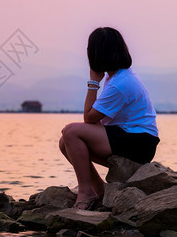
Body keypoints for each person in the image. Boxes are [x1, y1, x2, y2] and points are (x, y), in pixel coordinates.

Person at [58, 27, 159, 210]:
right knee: (65, 142)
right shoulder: (118, 78)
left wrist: (93, 81)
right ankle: (98, 189)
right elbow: (95, 121)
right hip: (132, 137)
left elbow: (89, 118)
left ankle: (85, 192)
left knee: (71, 132)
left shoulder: (120, 83)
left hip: (139, 142)